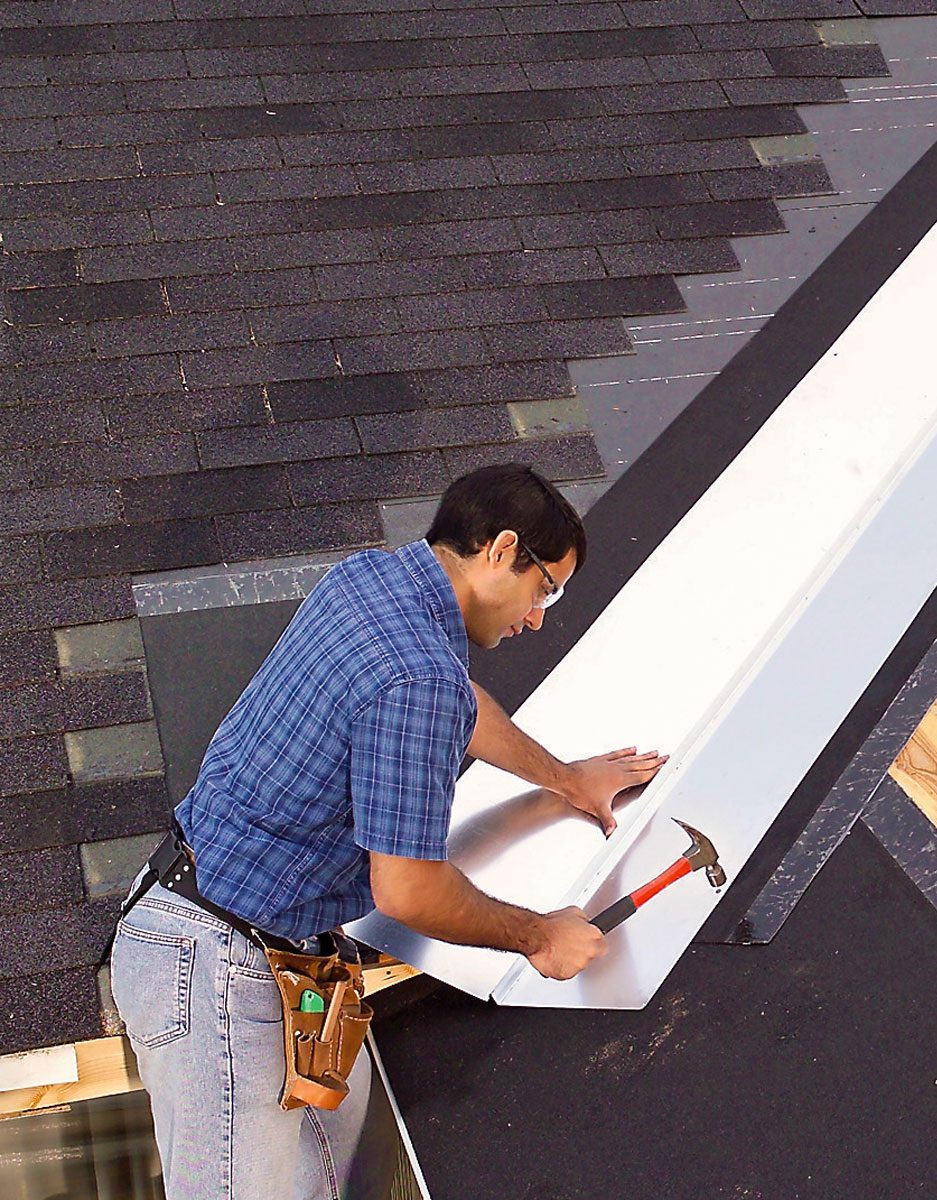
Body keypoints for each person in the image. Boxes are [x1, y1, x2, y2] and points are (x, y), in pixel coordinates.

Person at [109, 463, 666, 1199]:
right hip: (216, 968)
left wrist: (565, 778)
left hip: (257, 951)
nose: (537, 618)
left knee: (339, 1172)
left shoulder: (370, 582)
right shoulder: (419, 676)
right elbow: (405, 889)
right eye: (545, 589)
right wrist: (540, 935)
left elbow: (458, 700)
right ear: (501, 550)